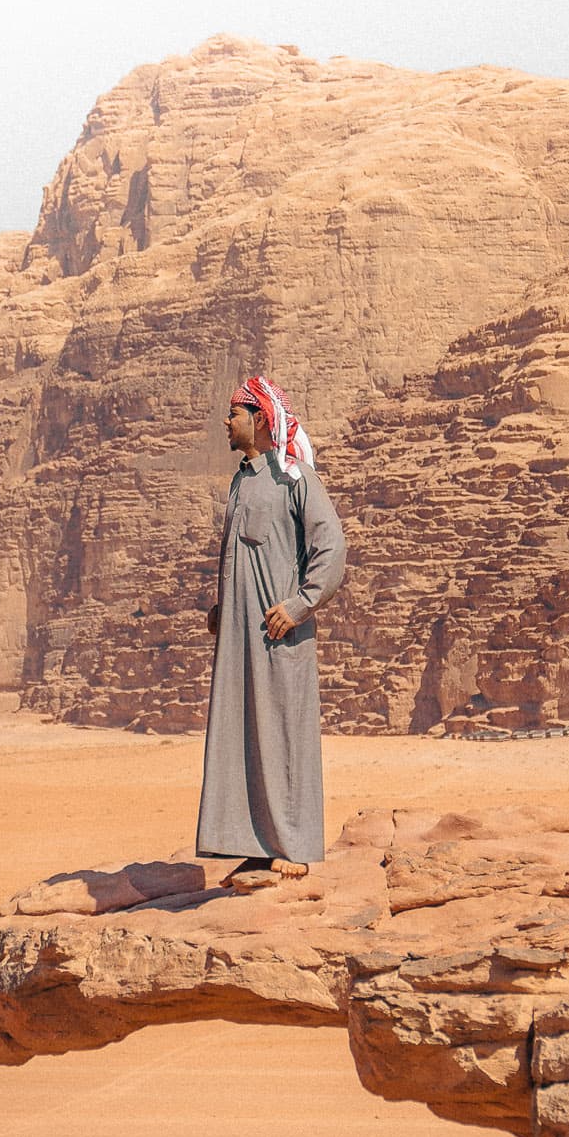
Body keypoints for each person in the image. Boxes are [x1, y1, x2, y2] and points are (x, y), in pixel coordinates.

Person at [196, 375, 347, 879]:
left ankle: (294, 847)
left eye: (234, 413)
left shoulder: (296, 478)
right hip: (242, 639)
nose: (226, 421)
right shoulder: (245, 478)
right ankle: (255, 843)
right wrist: (224, 605)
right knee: (243, 734)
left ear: (260, 419)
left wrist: (301, 605)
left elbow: (331, 550)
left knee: (284, 734)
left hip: (279, 635)